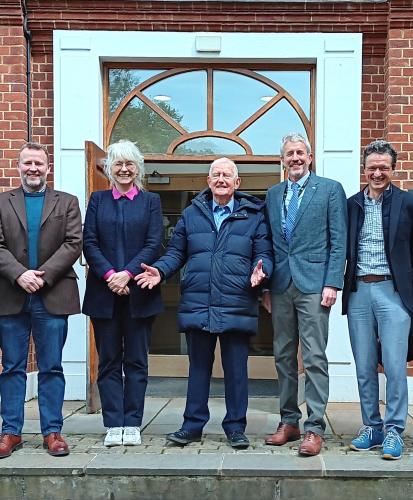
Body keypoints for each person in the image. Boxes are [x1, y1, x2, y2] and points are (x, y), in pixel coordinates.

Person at [135, 157, 272, 448]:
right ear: (208, 181)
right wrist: (160, 270)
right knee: (198, 369)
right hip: (199, 301)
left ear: (237, 183)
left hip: (237, 300)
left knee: (236, 371)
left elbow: (264, 251)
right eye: (216, 175)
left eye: (227, 175)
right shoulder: (191, 214)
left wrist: (262, 269)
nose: (221, 179)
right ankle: (191, 426)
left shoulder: (254, 214)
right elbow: (175, 253)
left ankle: (236, 428)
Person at [0, 142, 82, 459]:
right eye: (27, 163)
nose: (33, 169)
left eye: (39, 163)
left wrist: (42, 275)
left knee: (51, 367)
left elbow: (73, 244)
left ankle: (52, 432)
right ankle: (10, 432)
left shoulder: (67, 202)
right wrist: (19, 275)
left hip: (52, 294)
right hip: (11, 295)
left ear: (48, 167)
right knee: (12, 367)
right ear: (19, 166)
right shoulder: (1, 202)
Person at [263, 133, 347, 456]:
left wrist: (332, 282)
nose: (295, 158)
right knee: (283, 356)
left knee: (313, 357)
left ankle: (314, 428)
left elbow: (338, 240)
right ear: (282, 160)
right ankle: (289, 422)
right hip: (281, 286)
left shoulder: (329, 190)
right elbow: (269, 242)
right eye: (289, 154)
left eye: (300, 153)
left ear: (309, 157)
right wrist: (267, 287)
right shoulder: (273, 194)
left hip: (315, 285)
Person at [82, 140, 163, 447]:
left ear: (138, 168)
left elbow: (154, 243)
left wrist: (126, 273)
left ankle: (133, 422)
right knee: (109, 361)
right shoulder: (98, 200)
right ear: (109, 168)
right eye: (118, 164)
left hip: (139, 294)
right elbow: (89, 242)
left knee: (137, 362)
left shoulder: (150, 201)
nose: (125, 169)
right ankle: (113, 422)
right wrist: (109, 275)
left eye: (130, 164)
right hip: (104, 295)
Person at [343, 140, 413, 460]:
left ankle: (394, 430)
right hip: (358, 291)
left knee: (396, 365)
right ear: (364, 169)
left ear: (393, 168)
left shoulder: (407, 203)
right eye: (372, 167)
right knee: (364, 365)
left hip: (393, 291)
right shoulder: (351, 204)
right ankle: (372, 426)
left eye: (384, 167)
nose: (377, 172)